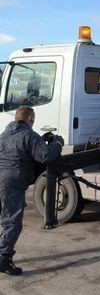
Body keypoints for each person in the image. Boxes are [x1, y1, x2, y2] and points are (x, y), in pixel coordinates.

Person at [0, 106, 63, 276]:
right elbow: (45, 156)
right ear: (30, 119)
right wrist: (57, 143)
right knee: (12, 223)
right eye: (33, 121)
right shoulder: (29, 135)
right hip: (12, 183)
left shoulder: (4, 135)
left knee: (5, 219)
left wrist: (40, 141)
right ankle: (3, 258)